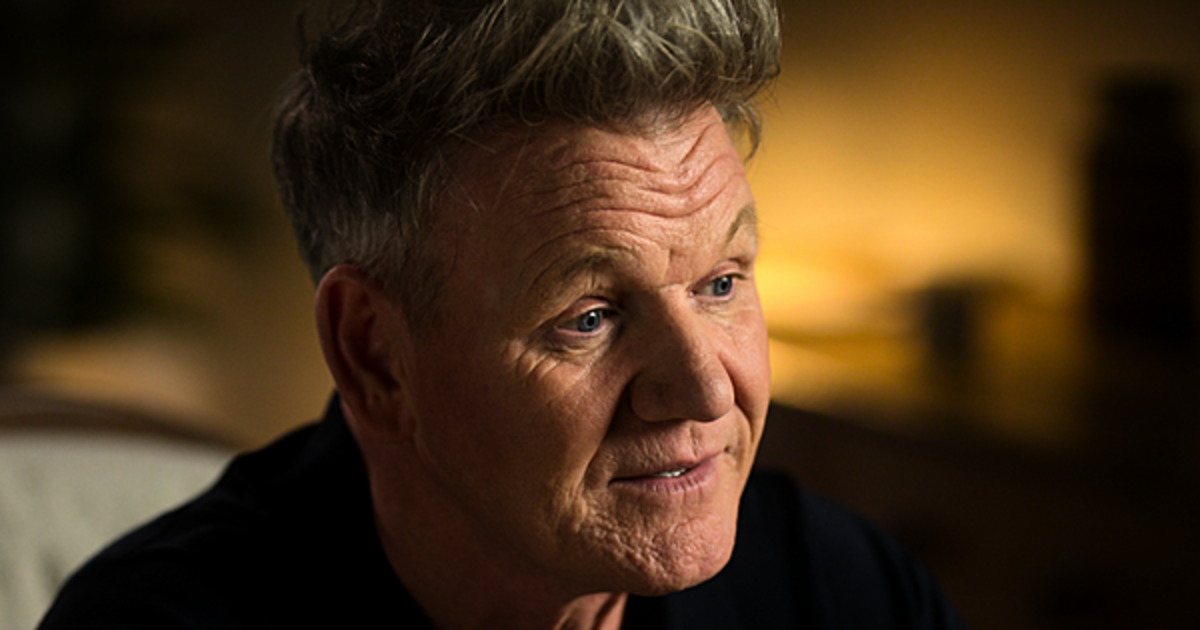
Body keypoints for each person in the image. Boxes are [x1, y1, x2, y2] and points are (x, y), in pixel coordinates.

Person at [40, 1, 969, 628]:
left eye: (721, 283)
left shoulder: (841, 589)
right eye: (590, 316)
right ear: (376, 357)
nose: (703, 389)